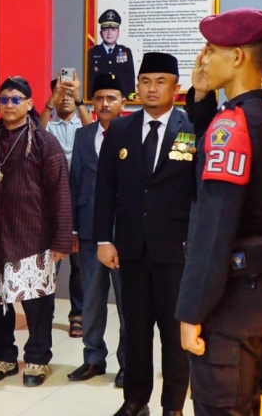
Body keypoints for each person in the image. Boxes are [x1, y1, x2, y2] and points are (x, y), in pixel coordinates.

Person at [176, 7, 262, 416]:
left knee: (221, 406)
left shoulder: (236, 124)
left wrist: (191, 310)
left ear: (237, 57)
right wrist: (202, 95)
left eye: (211, 49)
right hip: (252, 291)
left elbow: (214, 227)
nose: (203, 59)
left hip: (228, 299)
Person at [94, 53, 195, 416]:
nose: (152, 89)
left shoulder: (191, 128)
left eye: (161, 81)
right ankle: (135, 401)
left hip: (176, 252)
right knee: (135, 331)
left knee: (173, 334)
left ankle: (173, 406)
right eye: (146, 81)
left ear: (176, 88)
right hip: (131, 249)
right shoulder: (119, 129)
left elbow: (200, 193)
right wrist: (104, 238)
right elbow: (104, 188)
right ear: (137, 87)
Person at [0, 76, 73, 388]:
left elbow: (60, 194)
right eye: (4, 99)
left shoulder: (44, 143)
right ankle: (2, 357)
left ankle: (38, 359)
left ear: (29, 104)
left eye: (16, 99)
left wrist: (62, 239)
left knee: (37, 303)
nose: (9, 105)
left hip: (32, 237)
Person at [67, 73, 128, 387]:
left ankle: (127, 364)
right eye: (100, 97)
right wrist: (74, 229)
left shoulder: (133, 133)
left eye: (111, 98)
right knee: (91, 301)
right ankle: (93, 359)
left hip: (125, 233)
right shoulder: (83, 135)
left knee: (128, 303)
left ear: (123, 102)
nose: (105, 103)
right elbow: (75, 181)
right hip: (89, 231)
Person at [40, 72, 90, 338]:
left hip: (81, 200)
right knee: (51, 263)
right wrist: (51, 100)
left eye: (71, 94)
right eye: (62, 94)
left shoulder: (82, 123)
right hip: (53, 202)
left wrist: (79, 99)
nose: (67, 99)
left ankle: (77, 315)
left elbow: (92, 129)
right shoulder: (50, 124)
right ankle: (44, 314)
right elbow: (36, 130)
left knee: (80, 265)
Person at [88, 9, 136, 97]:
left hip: (120, 100)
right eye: (106, 29)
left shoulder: (126, 52)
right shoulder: (92, 53)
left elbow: (130, 81)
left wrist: (129, 100)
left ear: (118, 32)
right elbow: (89, 82)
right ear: (100, 33)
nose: (109, 33)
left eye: (113, 29)